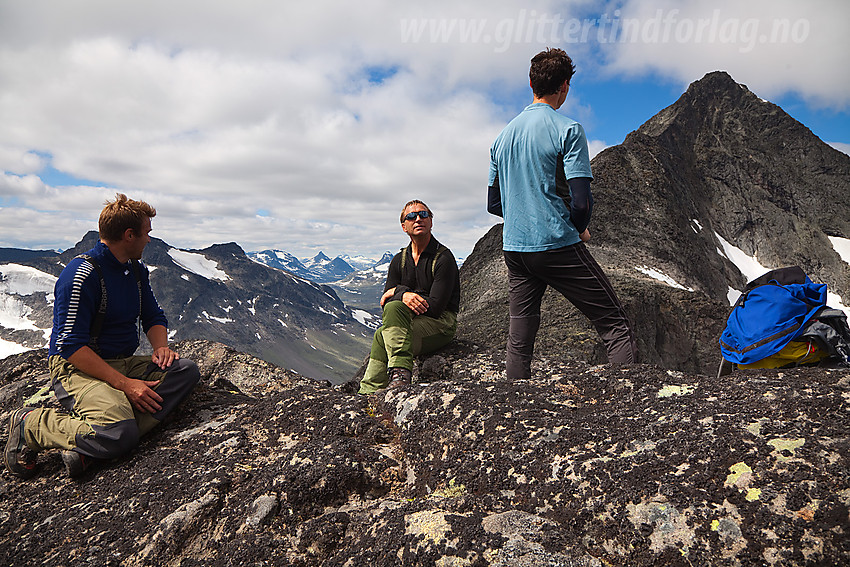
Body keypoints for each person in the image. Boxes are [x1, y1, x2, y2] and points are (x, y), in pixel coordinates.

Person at [5, 193, 200, 479]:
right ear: (129, 235)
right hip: (78, 369)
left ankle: (92, 443)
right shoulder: (81, 275)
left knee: (185, 371)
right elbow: (70, 346)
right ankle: (31, 425)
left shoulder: (134, 270)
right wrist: (126, 385)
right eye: (146, 233)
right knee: (121, 431)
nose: (149, 239)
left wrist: (161, 348)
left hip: (120, 361)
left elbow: (153, 316)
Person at [487, 48, 637, 378]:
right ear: (565, 86)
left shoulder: (501, 138)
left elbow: (493, 204)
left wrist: (522, 219)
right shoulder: (567, 129)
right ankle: (628, 406)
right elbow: (582, 202)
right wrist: (577, 228)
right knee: (614, 323)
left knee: (519, 339)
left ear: (531, 83)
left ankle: (513, 410)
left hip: (514, 248)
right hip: (555, 243)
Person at [358, 200, 460, 394]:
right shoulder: (399, 260)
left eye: (424, 215)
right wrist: (402, 294)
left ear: (431, 222)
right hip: (414, 321)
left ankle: (401, 376)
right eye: (411, 216)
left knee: (392, 319)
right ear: (404, 227)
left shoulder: (443, 258)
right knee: (382, 333)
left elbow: (436, 307)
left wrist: (399, 293)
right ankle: (367, 393)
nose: (418, 219)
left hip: (441, 324)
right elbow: (385, 303)